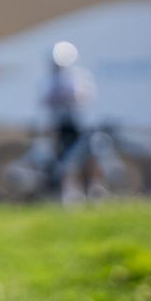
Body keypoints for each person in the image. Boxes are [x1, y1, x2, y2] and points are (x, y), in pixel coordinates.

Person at [41, 41, 96, 203]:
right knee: (62, 161)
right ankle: (68, 192)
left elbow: (84, 96)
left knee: (83, 158)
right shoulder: (49, 80)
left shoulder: (78, 76)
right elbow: (44, 99)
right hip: (59, 126)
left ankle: (93, 190)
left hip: (77, 125)